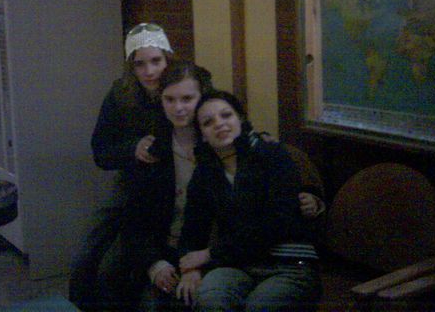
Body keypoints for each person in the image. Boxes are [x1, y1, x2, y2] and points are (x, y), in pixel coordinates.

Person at [176, 90, 324, 312]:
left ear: (241, 119)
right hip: (236, 265)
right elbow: (192, 229)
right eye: (208, 122)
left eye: (226, 115)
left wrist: (210, 254)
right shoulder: (205, 173)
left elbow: (277, 224)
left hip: (288, 263)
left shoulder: (272, 155)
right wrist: (190, 269)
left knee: (259, 307)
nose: (219, 124)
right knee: (209, 300)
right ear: (203, 135)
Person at [68, 22, 174, 312]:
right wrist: (132, 149)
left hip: (172, 181)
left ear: (167, 59)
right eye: (140, 64)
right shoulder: (120, 94)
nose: (149, 71)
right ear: (131, 67)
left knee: (114, 267)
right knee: (85, 256)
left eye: (156, 61)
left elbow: (219, 114)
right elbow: (100, 151)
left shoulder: (183, 86)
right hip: (132, 180)